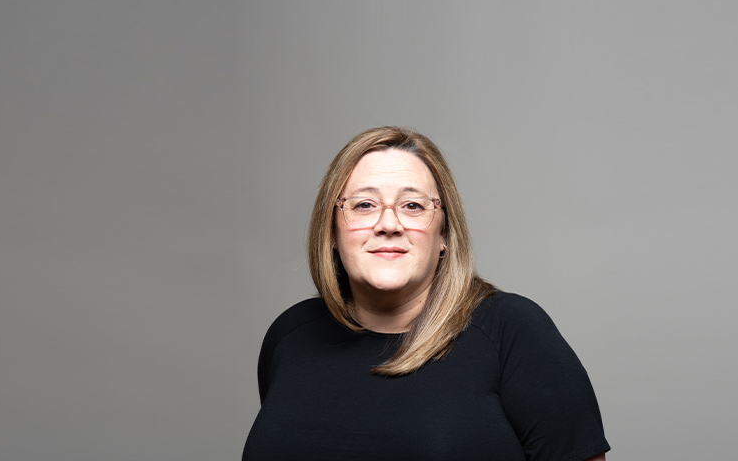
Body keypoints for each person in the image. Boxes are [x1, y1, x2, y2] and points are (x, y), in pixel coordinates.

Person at [242, 127, 610, 461]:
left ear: (444, 235)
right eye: (364, 205)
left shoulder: (512, 332)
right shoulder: (290, 335)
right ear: (333, 232)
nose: (388, 224)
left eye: (413, 206)